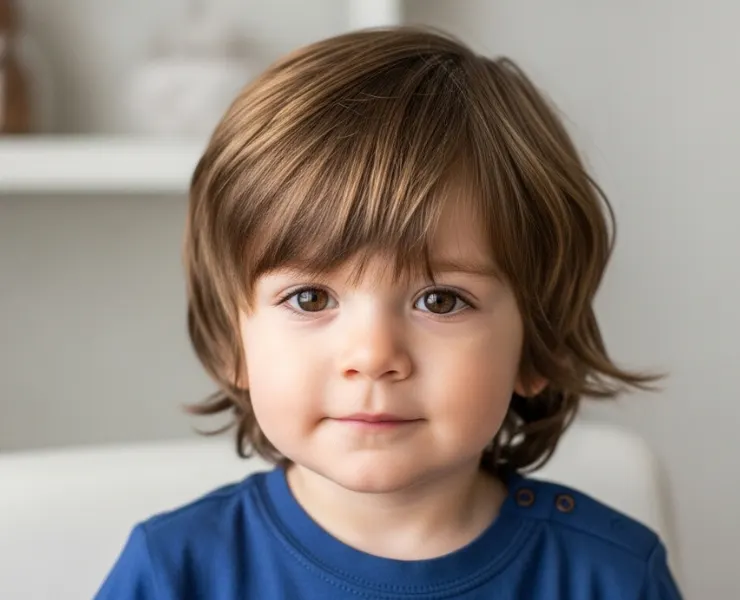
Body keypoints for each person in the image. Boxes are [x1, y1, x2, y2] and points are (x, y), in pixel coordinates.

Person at [96, 26, 682, 599]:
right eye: (310, 298)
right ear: (233, 340)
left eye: (441, 300)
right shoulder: (174, 572)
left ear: (536, 344)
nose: (374, 357)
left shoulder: (614, 577)